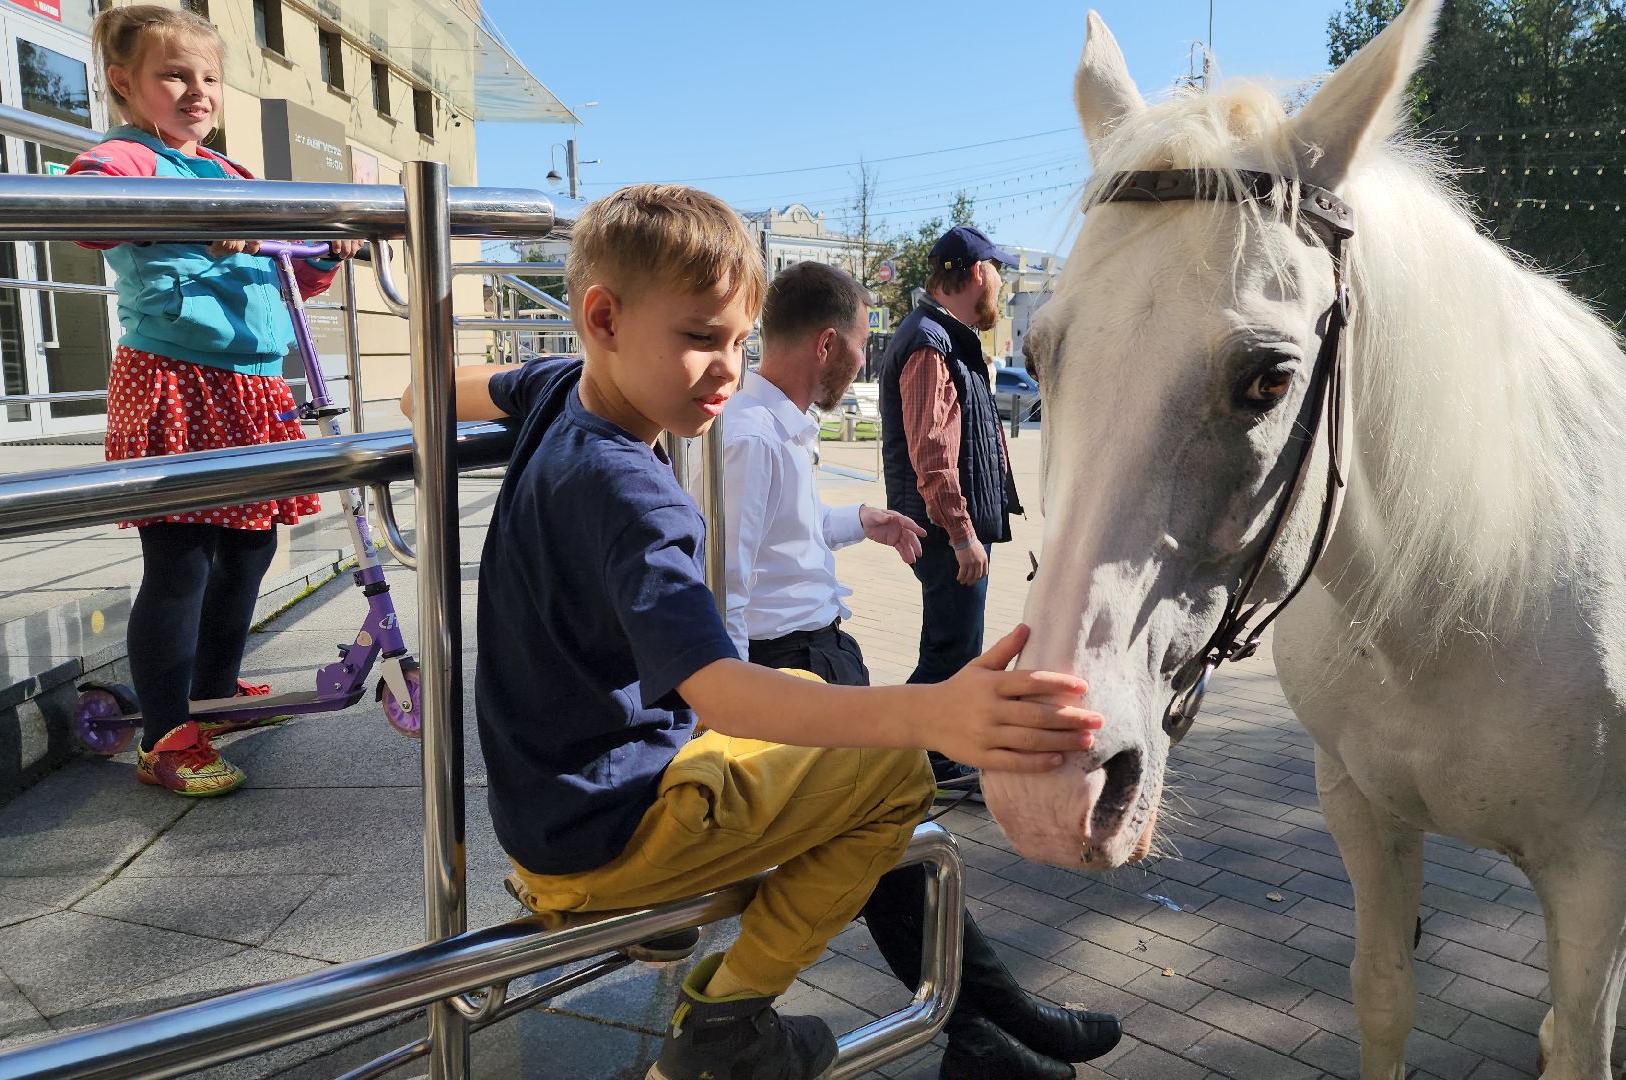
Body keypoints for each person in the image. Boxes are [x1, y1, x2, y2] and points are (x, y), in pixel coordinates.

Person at [400, 184, 1102, 1080]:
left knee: (818, 704)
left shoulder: (551, 393)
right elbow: (722, 690)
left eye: (737, 340)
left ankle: (960, 1014)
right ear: (603, 317)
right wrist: (933, 716)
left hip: (553, 808)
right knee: (894, 771)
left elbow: (429, 392)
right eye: (700, 338)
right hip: (612, 835)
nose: (727, 369)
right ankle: (725, 1017)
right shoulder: (633, 492)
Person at [720, 261, 1121, 1080]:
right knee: (894, 846)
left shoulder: (777, 424)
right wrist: (726, 713)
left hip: (816, 653)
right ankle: (998, 1021)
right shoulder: (751, 433)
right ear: (827, 343)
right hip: (788, 669)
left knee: (893, 852)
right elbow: (724, 584)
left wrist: (855, 520)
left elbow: (776, 541)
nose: (864, 363)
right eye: (862, 347)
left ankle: (983, 1032)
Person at [68, 5, 356, 797]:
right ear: (125, 84)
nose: (197, 91)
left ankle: (212, 696)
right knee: (182, 557)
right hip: (177, 375)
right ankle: (164, 736)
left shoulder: (232, 176)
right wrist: (192, 220)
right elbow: (86, 209)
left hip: (255, 381)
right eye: (174, 75)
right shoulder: (128, 157)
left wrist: (324, 247)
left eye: (209, 78)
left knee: (251, 547)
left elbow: (288, 270)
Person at [880, 226, 1025, 789]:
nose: (1002, 285)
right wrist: (962, 532)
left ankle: (933, 760)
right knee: (949, 655)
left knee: (955, 650)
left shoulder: (946, 336)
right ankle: (898, 757)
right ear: (972, 274)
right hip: (945, 532)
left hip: (950, 527)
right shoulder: (929, 342)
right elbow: (932, 451)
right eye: (997, 273)